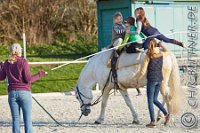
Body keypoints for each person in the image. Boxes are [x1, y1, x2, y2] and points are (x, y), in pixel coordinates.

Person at [0, 43, 47, 133]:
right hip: (24, 93)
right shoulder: (23, 61)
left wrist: (0, 67)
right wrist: (40, 74)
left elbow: (1, 77)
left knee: (15, 120)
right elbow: (28, 79)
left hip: (12, 93)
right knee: (27, 120)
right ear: (19, 51)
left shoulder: (6, 63)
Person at [135, 39, 170, 128]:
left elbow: (143, 71)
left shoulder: (148, 56)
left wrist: (137, 79)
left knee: (150, 101)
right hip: (159, 79)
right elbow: (168, 51)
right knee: (154, 99)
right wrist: (162, 45)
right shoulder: (161, 54)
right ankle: (166, 113)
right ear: (156, 45)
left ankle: (152, 121)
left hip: (151, 79)